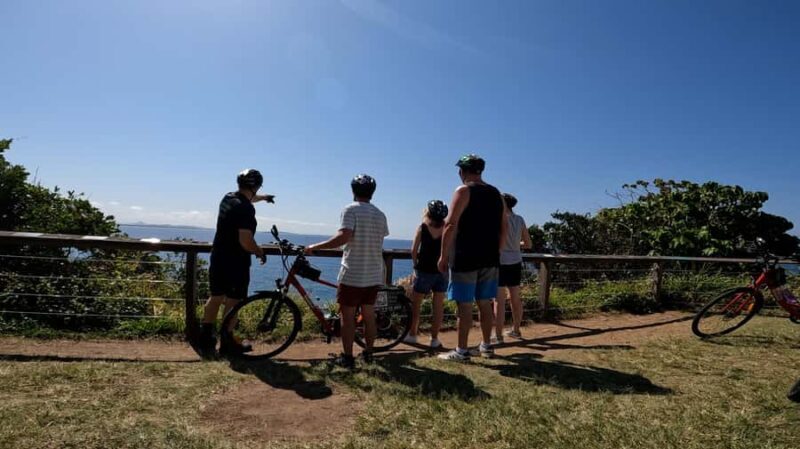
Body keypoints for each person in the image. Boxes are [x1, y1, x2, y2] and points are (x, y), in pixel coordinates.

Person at [306, 174, 389, 369]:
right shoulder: (380, 214)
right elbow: (379, 241)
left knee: (348, 317)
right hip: (374, 272)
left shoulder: (350, 210)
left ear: (353, 191)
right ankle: (369, 353)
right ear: (372, 192)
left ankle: (348, 357)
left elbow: (344, 237)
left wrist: (315, 247)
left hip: (353, 272)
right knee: (369, 315)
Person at [197, 169, 275, 358]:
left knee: (215, 297)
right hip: (236, 262)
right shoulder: (246, 209)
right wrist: (259, 251)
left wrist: (263, 198)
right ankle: (227, 342)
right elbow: (245, 241)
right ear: (255, 186)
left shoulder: (228, 198)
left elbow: (247, 197)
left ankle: (206, 338)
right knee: (233, 302)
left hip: (218, 256)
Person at [437, 154, 506, 361]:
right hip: (490, 257)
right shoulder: (496, 193)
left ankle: (461, 350)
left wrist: (443, 256)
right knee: (485, 302)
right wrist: (498, 252)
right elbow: (504, 226)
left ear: (463, 171)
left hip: (465, 257)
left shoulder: (464, 190)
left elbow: (450, 225)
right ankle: (486, 345)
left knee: (464, 305)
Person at [404, 200, 449, 349]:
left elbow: (413, 250)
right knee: (437, 307)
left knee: (416, 305)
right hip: (442, 271)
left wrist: (415, 265)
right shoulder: (446, 228)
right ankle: (434, 339)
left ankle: (412, 334)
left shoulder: (422, 228)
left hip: (423, 271)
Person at [493, 193, 533, 342]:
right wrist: (516, 244)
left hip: (500, 262)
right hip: (516, 262)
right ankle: (516, 330)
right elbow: (528, 244)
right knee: (515, 298)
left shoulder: (498, 219)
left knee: (499, 300)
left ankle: (498, 335)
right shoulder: (519, 219)